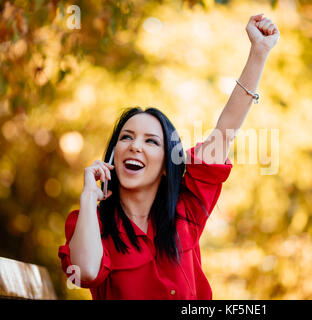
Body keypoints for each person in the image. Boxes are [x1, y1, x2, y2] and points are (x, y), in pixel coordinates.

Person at [58, 13, 279, 300]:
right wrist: (89, 196)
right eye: (126, 137)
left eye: (151, 141)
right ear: (113, 156)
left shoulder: (187, 211)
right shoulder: (89, 222)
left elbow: (225, 130)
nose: (135, 146)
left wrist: (258, 52)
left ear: (166, 166)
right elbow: (86, 272)